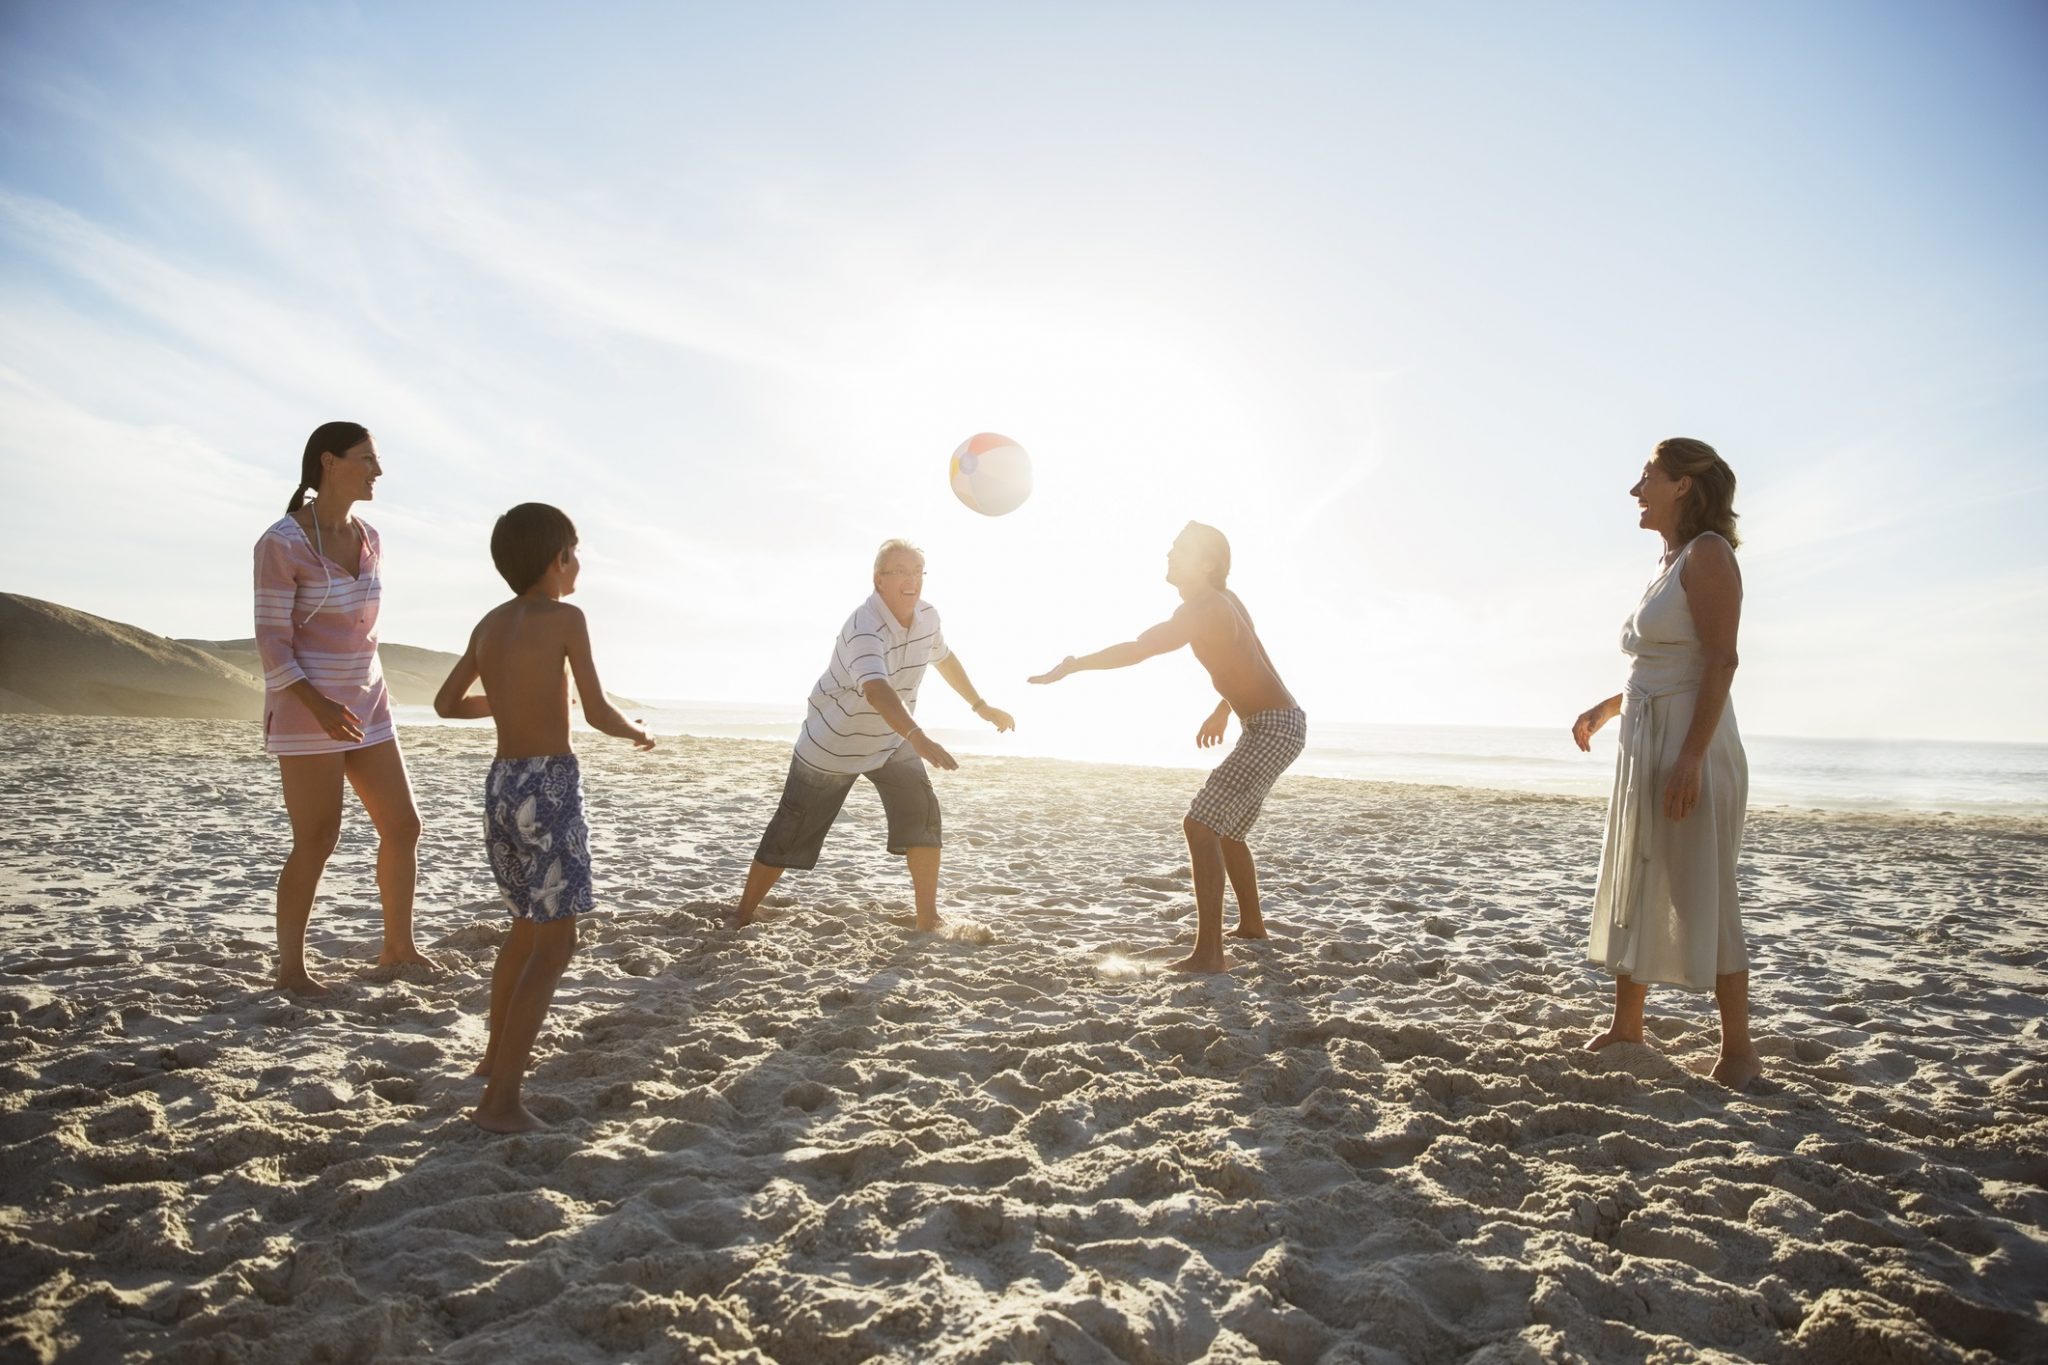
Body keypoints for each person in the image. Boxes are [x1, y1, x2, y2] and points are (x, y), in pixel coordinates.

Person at [434, 503, 655, 1133]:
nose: (578, 563)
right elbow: (595, 710)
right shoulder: (566, 617)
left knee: (525, 928)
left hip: (502, 785)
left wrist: (505, 703)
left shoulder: (490, 623)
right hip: (548, 787)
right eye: (575, 552)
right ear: (557, 558)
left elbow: (447, 704)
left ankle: (490, 1061)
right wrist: (635, 732)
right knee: (556, 942)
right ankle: (501, 1101)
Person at [1571, 438, 1760, 1090]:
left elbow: (1720, 661)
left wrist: (1691, 757)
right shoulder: (1668, 560)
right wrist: (1606, 710)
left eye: (1647, 476)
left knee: (1701, 888)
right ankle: (1629, 1025)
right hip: (1649, 739)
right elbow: (1659, 663)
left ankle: (1739, 1050)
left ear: (1682, 485)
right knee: (1639, 871)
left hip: (1691, 744)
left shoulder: (1709, 554)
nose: (1636, 490)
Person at [1030, 522, 1303, 974]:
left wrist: (1077, 664)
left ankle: (1209, 956)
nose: (1169, 554)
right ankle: (1252, 926)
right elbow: (1255, 656)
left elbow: (1139, 649)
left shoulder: (1205, 608)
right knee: (1228, 832)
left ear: (1207, 564)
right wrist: (1224, 709)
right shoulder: (1225, 603)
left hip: (1273, 728)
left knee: (1199, 825)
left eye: (1180, 550)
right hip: (1275, 723)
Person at [733, 539, 1014, 931]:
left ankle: (927, 919)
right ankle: (742, 914)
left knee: (923, 815)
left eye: (917, 570)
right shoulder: (864, 627)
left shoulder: (928, 617)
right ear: (879, 579)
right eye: (900, 570)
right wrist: (917, 736)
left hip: (889, 741)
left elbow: (944, 657)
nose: (911, 578)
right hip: (832, 745)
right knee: (789, 833)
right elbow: (877, 689)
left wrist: (980, 705)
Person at [255, 421, 431, 995]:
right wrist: (319, 705)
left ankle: (397, 948)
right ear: (329, 462)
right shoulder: (281, 544)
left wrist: (357, 697)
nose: (377, 471)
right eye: (366, 460)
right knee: (318, 837)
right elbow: (272, 643)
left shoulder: (371, 537)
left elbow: (362, 631)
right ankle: (291, 969)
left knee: (403, 825)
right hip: (308, 707)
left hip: (369, 701)